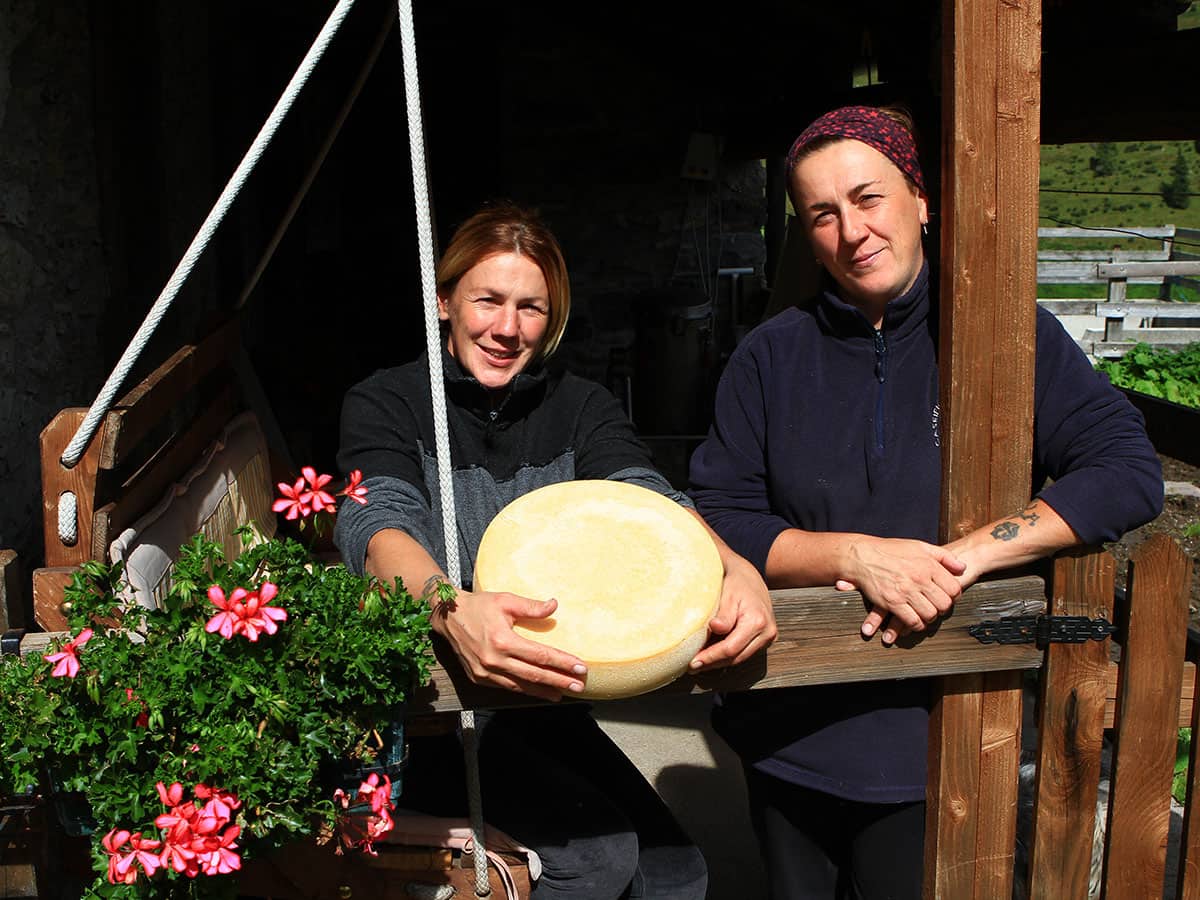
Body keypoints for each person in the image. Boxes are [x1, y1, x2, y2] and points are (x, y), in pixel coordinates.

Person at [688, 105, 1163, 899]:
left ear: (920, 198)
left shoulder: (1005, 338)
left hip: (939, 735)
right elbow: (722, 511)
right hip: (787, 725)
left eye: (869, 198)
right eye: (823, 215)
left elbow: (1127, 471)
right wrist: (855, 555)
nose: (852, 231)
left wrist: (965, 556)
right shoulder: (769, 356)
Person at [334, 201, 776, 899]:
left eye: (530, 308)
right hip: (426, 717)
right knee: (595, 864)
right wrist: (450, 606)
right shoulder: (386, 401)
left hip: (538, 706)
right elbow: (378, 526)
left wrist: (736, 566)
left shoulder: (580, 407)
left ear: (554, 318)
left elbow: (647, 496)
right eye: (488, 299)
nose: (507, 328)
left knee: (678, 874)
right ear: (444, 301)